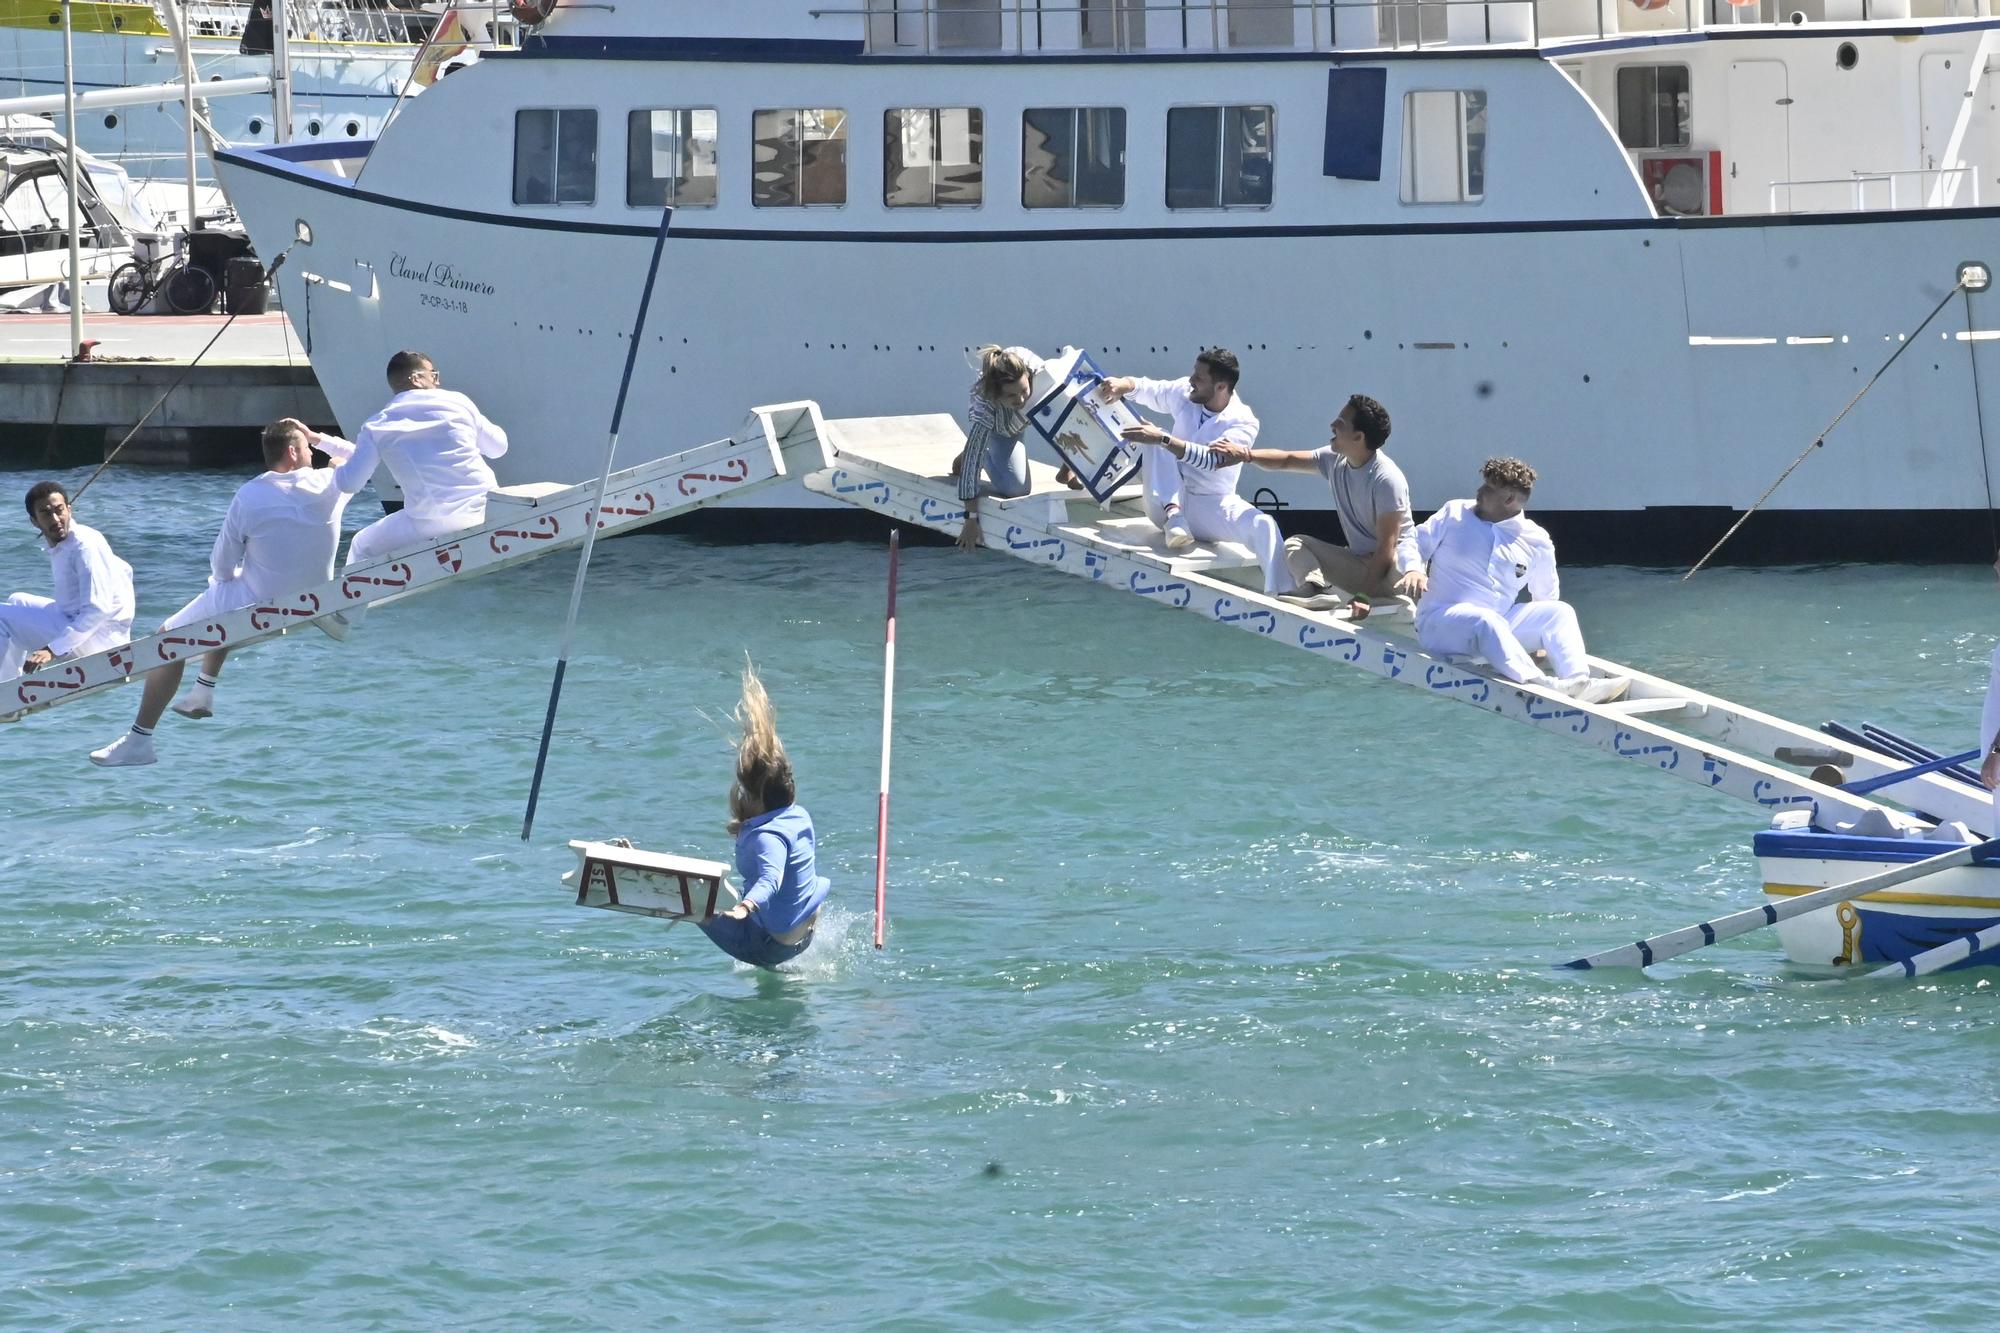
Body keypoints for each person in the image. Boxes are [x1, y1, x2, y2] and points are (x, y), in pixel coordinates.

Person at [89, 419, 365, 767]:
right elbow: (359, 456)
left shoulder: (250, 494)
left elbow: (220, 563)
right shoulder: (329, 485)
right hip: (313, 598)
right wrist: (319, 438)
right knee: (222, 601)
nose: (311, 452)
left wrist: (226, 578)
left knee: (168, 637)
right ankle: (203, 690)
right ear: (294, 452)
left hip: (259, 601)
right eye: (307, 447)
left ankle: (140, 740)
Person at [1403, 457, 1630, 703]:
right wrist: (1413, 569)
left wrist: (1544, 642)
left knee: (1559, 612)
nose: (1479, 492)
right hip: (1440, 624)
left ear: (1509, 500)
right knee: (1484, 620)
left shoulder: (1537, 539)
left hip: (1498, 627)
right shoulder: (1455, 512)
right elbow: (1413, 541)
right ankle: (1542, 685)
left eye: (1488, 489)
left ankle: (1579, 682)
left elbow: (1545, 597)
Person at [1096, 348, 1291, 595]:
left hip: (1210, 504)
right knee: (1153, 437)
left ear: (1221, 387)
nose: (1191, 380)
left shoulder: (1244, 421)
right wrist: (1122, 384)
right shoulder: (1186, 393)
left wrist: (1165, 439)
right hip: (1164, 504)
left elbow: (1214, 460)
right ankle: (1174, 515)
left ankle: (1282, 591)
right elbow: (1151, 389)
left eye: (1199, 378)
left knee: (1264, 524)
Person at [1216, 393, 1414, 618]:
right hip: (1361, 564)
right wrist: (1245, 455)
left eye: (1341, 422)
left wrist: (1364, 597)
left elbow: (1386, 550)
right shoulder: (1334, 459)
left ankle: (1386, 598)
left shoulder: (1386, 479)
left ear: (1358, 437)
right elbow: (1287, 459)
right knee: (1297, 544)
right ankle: (1315, 589)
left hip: (1392, 575)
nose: (1333, 424)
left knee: (1395, 559)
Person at [698, 661, 831, 970]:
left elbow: (771, 878)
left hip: (769, 947)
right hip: (804, 931)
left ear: (758, 797)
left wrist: (746, 906)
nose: (740, 794)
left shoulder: (766, 837)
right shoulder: (797, 815)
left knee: (688, 904)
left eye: (745, 791)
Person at [341, 350, 509, 572]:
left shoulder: (376, 425)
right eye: (434, 374)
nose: (438, 381)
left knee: (361, 545)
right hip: (486, 509)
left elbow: (350, 484)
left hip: (427, 524)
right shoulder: (458, 402)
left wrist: (336, 464)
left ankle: (351, 600)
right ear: (416, 378)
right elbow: (498, 449)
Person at [1, 481, 133, 685]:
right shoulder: (63, 544)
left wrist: (52, 649)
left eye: (59, 510)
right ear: (35, 522)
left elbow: (98, 609)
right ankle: (9, 685)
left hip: (100, 641)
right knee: (16, 600)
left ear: (69, 509)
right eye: (46, 513)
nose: (55, 519)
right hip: (81, 625)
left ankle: (4, 698)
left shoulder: (84, 546)